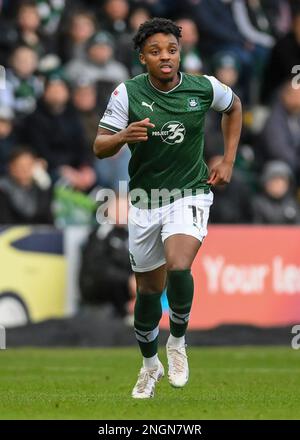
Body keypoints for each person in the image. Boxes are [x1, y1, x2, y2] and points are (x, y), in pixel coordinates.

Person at [93, 18, 242, 399]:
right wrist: (124, 135)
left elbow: (234, 106)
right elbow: (99, 145)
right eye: (155, 51)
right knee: (146, 293)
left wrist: (227, 160)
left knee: (179, 265)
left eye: (171, 50)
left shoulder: (203, 86)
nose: (165, 57)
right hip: (145, 200)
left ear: (181, 53)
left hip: (190, 193)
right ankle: (148, 366)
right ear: (142, 57)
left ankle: (177, 341)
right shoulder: (126, 93)